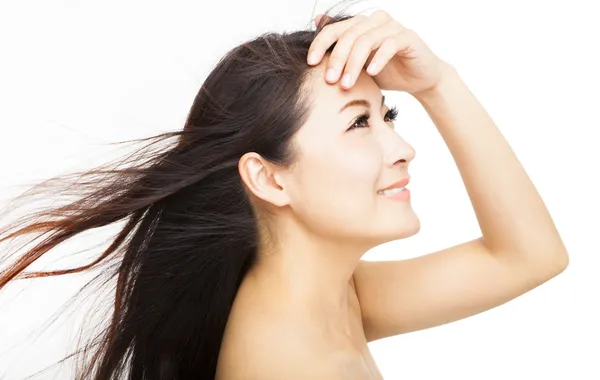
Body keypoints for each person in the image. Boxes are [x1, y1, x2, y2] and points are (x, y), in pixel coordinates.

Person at [0, 6, 569, 380]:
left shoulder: (334, 299)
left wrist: (438, 83)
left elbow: (529, 257)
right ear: (270, 178)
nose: (403, 148)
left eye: (387, 113)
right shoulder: (284, 361)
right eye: (358, 123)